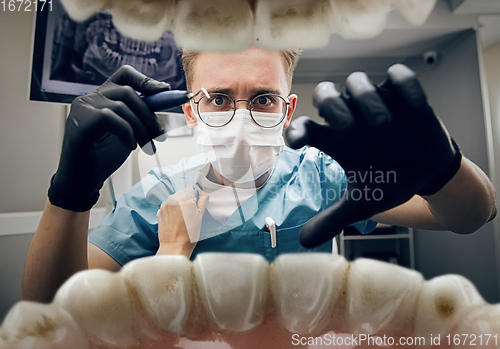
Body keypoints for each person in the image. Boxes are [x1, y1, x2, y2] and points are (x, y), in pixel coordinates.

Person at [22, 46, 497, 303]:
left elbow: (474, 215)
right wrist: (71, 191)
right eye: (220, 99)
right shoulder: (160, 198)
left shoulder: (323, 176)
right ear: (192, 112)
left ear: (288, 109)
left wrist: (442, 170)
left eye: (264, 99)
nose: (242, 118)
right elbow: (51, 307)